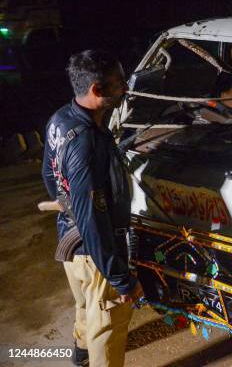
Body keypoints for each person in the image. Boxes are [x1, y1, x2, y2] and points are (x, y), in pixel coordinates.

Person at [42, 50, 143, 366]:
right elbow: (93, 221)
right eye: (118, 84)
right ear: (96, 90)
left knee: (86, 306)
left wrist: (67, 205)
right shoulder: (86, 142)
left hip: (71, 243)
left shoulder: (60, 119)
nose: (125, 88)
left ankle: (81, 354)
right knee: (109, 327)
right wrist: (121, 278)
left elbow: (48, 171)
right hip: (94, 253)